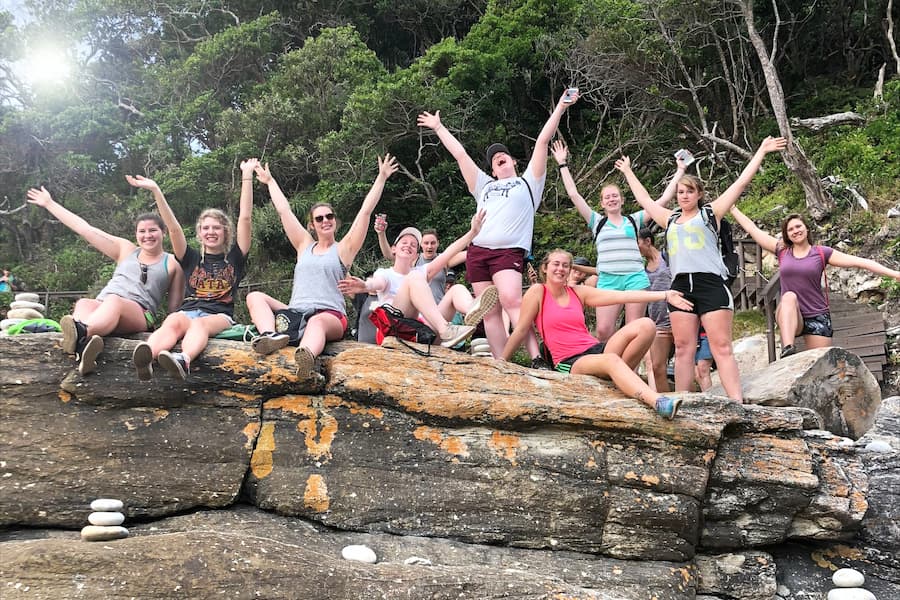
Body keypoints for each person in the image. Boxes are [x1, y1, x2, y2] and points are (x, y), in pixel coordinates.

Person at [617, 136, 787, 402]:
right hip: (682, 286)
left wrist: (761, 152)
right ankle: (684, 401)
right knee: (684, 348)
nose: (684, 196)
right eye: (680, 192)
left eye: (689, 192)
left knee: (721, 347)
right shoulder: (669, 219)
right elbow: (646, 200)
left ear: (699, 194)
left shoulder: (710, 213)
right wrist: (628, 172)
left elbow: (740, 183)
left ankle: (737, 402)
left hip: (711, 284)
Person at [417, 89, 579, 361]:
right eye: (494, 158)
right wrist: (438, 127)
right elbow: (460, 155)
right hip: (478, 252)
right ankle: (500, 362)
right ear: (492, 170)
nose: (498, 157)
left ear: (514, 161)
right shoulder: (485, 186)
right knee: (489, 311)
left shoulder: (528, 183)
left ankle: (537, 358)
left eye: (503, 155)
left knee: (513, 301)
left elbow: (541, 142)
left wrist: (561, 107)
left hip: (508, 251)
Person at [246, 155, 398, 379]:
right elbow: (284, 212)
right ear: (312, 224)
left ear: (335, 221)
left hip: (330, 315)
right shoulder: (304, 245)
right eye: (319, 218)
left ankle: (305, 358)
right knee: (255, 296)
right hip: (296, 312)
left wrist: (382, 178)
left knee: (316, 322)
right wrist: (269, 182)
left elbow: (364, 213)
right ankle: (271, 335)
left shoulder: (344, 249)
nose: (325, 220)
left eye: (329, 216)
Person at [500, 249, 693, 419]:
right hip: (570, 361)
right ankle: (657, 402)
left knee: (646, 325)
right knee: (611, 360)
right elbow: (521, 330)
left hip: (596, 349)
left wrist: (665, 295)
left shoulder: (578, 292)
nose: (560, 269)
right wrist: (500, 361)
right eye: (556, 264)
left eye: (565, 265)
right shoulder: (537, 291)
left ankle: (618, 380)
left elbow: (623, 296)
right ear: (545, 268)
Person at [25, 186, 183, 375]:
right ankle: (84, 351)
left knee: (114, 301)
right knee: (84, 302)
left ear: (163, 233)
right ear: (136, 234)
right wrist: (49, 204)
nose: (147, 235)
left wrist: (172, 332)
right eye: (142, 231)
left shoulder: (172, 263)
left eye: (153, 230)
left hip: (140, 312)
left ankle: (81, 335)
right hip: (103, 306)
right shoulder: (125, 249)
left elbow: (175, 307)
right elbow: (85, 229)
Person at [128, 159, 257, 380]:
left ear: (226, 232)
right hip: (187, 311)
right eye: (205, 228)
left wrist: (247, 175)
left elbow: (245, 217)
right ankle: (148, 357)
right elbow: (174, 229)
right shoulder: (190, 259)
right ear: (199, 233)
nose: (211, 232)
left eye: (217, 227)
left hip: (218, 315)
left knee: (199, 324)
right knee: (173, 321)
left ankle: (184, 359)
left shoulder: (235, 257)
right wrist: (156, 191)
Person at [551, 140, 685, 342]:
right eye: (607, 197)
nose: (612, 199)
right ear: (602, 203)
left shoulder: (634, 220)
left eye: (615, 196)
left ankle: (628, 370)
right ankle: (606, 368)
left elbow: (663, 200)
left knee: (634, 330)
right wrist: (562, 164)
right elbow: (573, 194)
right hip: (608, 280)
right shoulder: (597, 222)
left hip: (635, 278)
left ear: (622, 200)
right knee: (604, 331)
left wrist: (680, 171)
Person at [729, 205, 900, 357]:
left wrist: (894, 274)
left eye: (798, 226)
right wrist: (733, 208)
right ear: (786, 234)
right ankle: (788, 349)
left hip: (817, 315)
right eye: (790, 229)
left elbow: (860, 262)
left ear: (807, 229)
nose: (795, 231)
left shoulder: (821, 253)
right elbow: (752, 229)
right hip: (791, 315)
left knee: (820, 367)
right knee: (789, 296)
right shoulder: (782, 250)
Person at [338, 212, 499, 348]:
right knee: (414, 277)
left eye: (413, 245)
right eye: (404, 242)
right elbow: (377, 284)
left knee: (456, 289)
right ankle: (445, 329)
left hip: (420, 332)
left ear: (416, 254)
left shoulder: (422, 271)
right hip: (394, 332)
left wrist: (472, 233)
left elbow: (448, 253)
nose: (409, 245)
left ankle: (472, 308)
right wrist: (365, 285)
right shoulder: (385, 273)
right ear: (393, 249)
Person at [374, 218, 466, 305]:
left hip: (439, 308)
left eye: (433, 243)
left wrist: (476, 239)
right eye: (426, 243)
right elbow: (390, 255)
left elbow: (467, 254)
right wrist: (381, 234)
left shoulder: (443, 260)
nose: (429, 246)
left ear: (438, 243)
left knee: (458, 289)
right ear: (420, 244)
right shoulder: (414, 258)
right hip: (418, 312)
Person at [637, 227, 673, 392]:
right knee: (657, 367)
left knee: (687, 366)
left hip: (678, 316)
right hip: (657, 321)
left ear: (648, 241)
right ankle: (668, 403)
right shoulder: (641, 268)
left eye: (636, 243)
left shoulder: (669, 258)